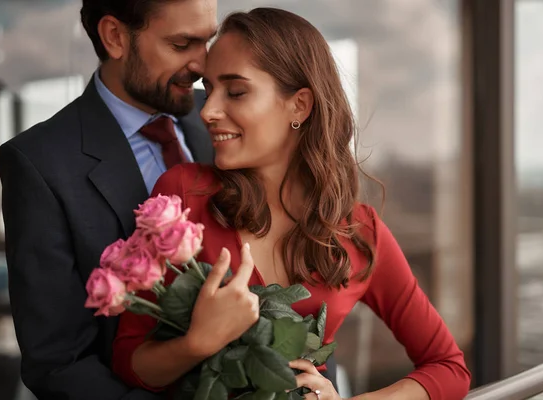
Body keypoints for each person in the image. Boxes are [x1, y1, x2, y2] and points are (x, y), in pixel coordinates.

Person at [113, 7, 471, 400]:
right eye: (209, 89)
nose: (209, 111)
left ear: (299, 105)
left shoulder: (359, 231)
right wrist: (197, 342)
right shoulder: (183, 196)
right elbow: (131, 361)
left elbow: (449, 368)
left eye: (235, 92)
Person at [0, 1, 218, 399]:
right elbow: (59, 361)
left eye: (207, 41)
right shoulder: (40, 163)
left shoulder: (228, 116)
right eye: (182, 43)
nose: (202, 65)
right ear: (115, 36)